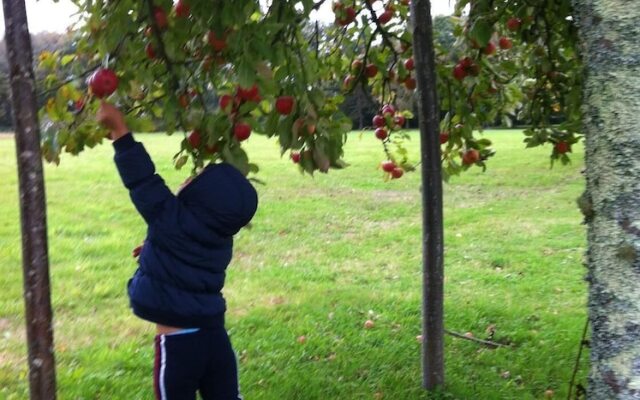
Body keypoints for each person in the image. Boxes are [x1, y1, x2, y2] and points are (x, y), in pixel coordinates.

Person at [96, 101, 258, 400]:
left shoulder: (169, 219)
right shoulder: (220, 240)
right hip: (216, 340)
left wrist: (119, 130)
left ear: (199, 198)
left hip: (179, 345)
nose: (186, 179)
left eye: (194, 181)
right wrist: (155, 247)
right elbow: (188, 256)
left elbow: (141, 180)